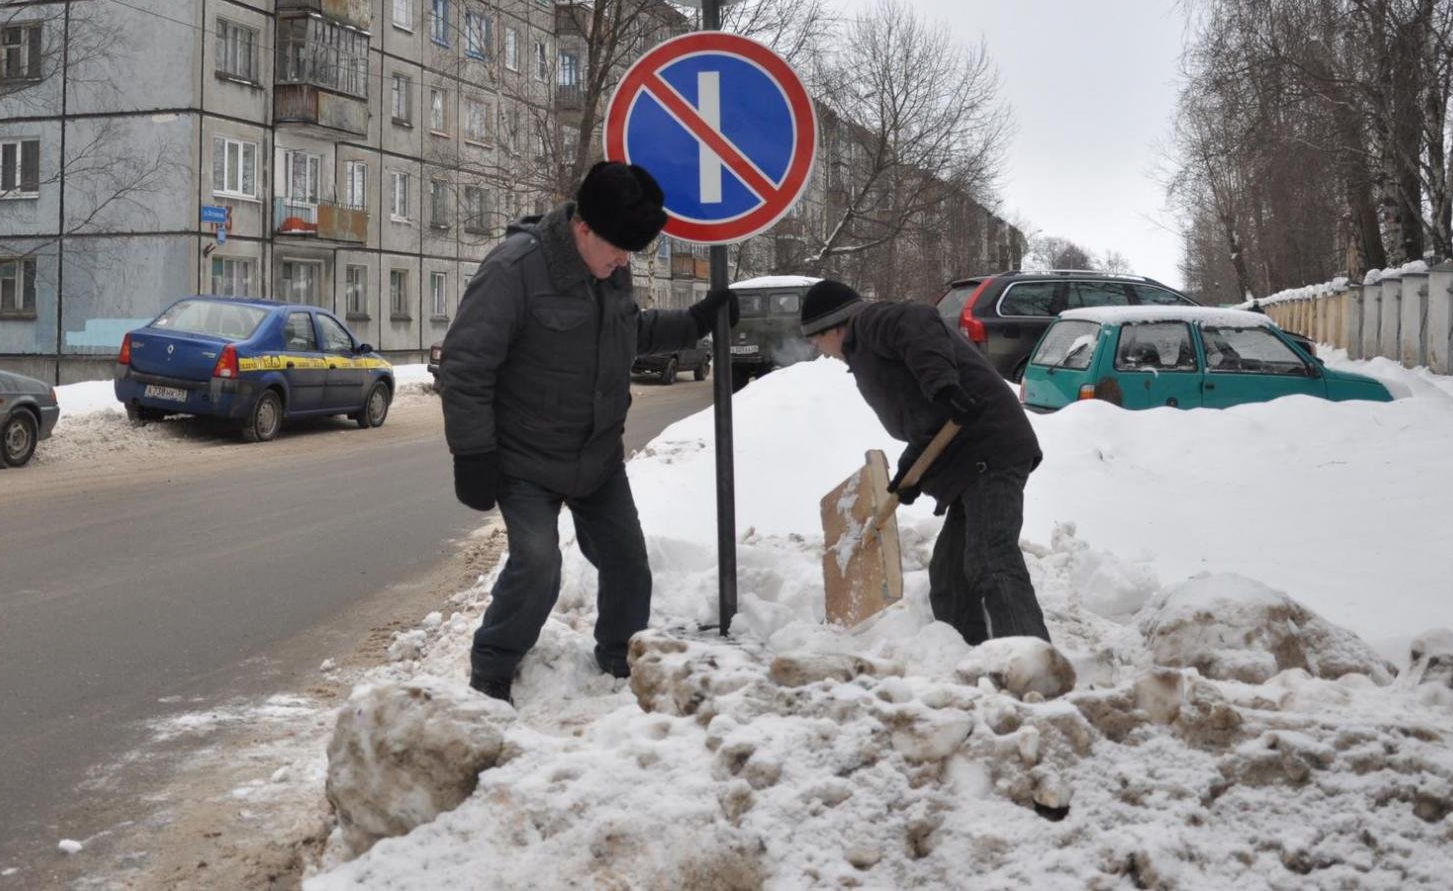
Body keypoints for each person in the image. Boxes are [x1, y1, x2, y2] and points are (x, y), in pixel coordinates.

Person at [438, 161, 738, 704]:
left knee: (628, 562)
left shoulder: (607, 268)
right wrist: (473, 452)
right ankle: (493, 666)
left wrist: (693, 321)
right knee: (539, 564)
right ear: (583, 229)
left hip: (596, 459)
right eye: (618, 249)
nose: (625, 261)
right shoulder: (514, 270)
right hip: (524, 458)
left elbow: (627, 332)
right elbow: (465, 365)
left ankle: (621, 654)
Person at [798, 279, 1050, 646]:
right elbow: (929, 423)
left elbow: (918, 323)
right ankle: (966, 652)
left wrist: (943, 384)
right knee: (949, 575)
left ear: (834, 326)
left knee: (990, 557)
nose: (821, 352)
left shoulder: (872, 323)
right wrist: (907, 475)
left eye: (817, 341)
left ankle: (1033, 661)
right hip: (968, 460)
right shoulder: (865, 351)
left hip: (990, 448)